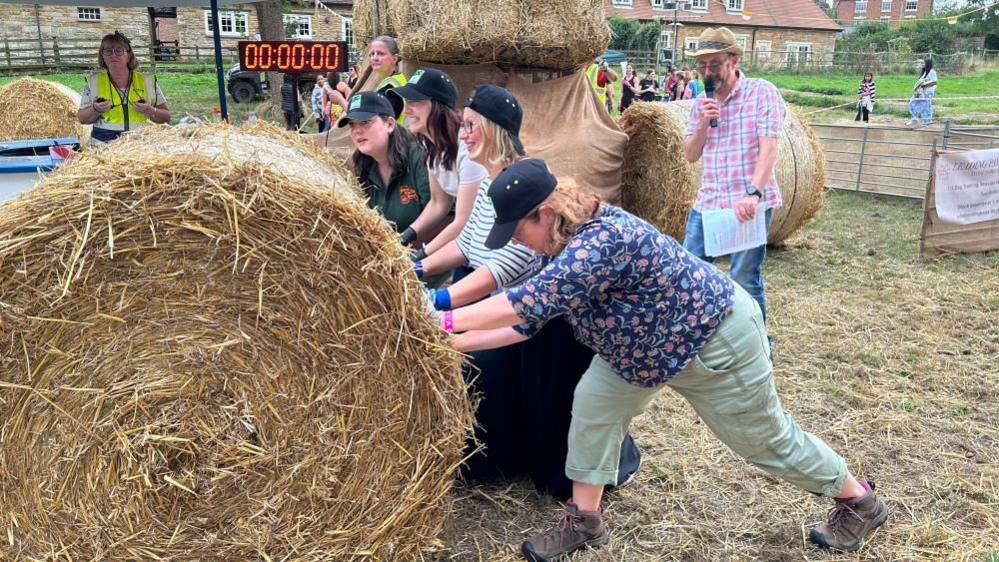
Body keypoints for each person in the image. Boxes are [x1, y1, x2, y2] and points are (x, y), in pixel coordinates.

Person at [442, 157, 888, 561]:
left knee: (763, 439)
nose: (519, 243)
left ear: (544, 213)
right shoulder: (560, 244)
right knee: (593, 408)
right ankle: (584, 521)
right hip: (638, 352)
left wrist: (440, 320)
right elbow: (526, 325)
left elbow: (520, 304)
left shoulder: (600, 240)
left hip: (711, 338)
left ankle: (858, 500)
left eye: (518, 231)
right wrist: (446, 344)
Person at [415, 86, 641, 498]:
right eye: (462, 125)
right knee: (471, 360)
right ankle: (499, 459)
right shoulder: (487, 180)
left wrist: (441, 307)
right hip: (528, 311)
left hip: (542, 313)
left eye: (470, 126)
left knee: (497, 373)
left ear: (495, 128)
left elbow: (513, 273)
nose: (462, 134)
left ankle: (536, 464)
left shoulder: (524, 185)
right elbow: (472, 244)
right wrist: (422, 272)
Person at [682, 27, 783, 323]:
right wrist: (703, 122)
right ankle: (703, 340)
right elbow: (690, 154)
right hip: (709, 203)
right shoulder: (701, 103)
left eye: (714, 64)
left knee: (744, 279)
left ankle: (757, 349)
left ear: (734, 60)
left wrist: (753, 193)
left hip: (747, 204)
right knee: (690, 273)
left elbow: (769, 149)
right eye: (702, 65)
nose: (707, 71)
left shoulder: (762, 92)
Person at [388, 67, 488, 252]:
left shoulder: (467, 147)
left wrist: (419, 255)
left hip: (498, 240)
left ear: (438, 106)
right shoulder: (430, 144)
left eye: (415, 101)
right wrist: (404, 238)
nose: (407, 109)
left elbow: (463, 222)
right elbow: (439, 203)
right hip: (474, 239)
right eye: (407, 101)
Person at [339, 92, 430, 237]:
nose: (357, 130)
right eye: (352, 125)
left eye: (365, 122)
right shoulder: (362, 168)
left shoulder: (420, 159)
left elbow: (443, 218)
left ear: (389, 124)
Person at [77, 31, 170, 144]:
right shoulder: (93, 82)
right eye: (108, 51)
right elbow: (82, 119)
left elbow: (166, 117)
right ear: (102, 56)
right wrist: (95, 109)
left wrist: (149, 110)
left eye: (119, 50)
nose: (113, 55)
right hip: (104, 149)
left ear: (129, 55)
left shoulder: (147, 81)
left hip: (140, 146)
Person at [368, 36, 407, 122]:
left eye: (381, 53)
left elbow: (375, 124)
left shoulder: (389, 90)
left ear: (394, 58)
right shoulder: (399, 79)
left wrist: (341, 101)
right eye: (372, 54)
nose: (374, 58)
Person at [906, 58, 937, 126]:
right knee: (912, 104)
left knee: (926, 107)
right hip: (921, 93)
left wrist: (924, 85)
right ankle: (915, 119)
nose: (922, 64)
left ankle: (927, 122)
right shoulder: (925, 72)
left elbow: (934, 82)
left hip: (928, 93)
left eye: (923, 63)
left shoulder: (932, 72)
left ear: (928, 64)